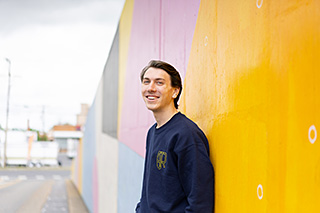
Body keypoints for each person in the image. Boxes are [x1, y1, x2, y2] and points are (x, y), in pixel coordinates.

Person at [136, 60, 214, 212]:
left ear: (175, 91)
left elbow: (200, 202)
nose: (151, 88)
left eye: (159, 83)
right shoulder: (152, 132)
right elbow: (149, 191)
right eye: (146, 82)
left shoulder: (186, 134)